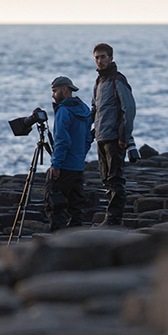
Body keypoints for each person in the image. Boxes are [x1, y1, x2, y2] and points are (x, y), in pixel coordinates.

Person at [91, 43, 136, 226]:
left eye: (103, 57)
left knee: (116, 179)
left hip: (115, 139)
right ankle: (110, 218)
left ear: (111, 58)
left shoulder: (118, 79)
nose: (100, 60)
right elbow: (95, 109)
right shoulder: (99, 82)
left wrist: (124, 137)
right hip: (101, 137)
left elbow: (129, 109)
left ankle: (114, 219)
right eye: (97, 57)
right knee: (106, 179)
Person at [43, 76, 93, 231]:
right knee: (76, 205)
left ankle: (57, 237)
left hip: (64, 165)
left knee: (54, 202)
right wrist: (80, 156)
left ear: (64, 89)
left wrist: (56, 165)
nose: (53, 95)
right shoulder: (84, 109)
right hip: (77, 165)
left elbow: (62, 140)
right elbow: (88, 138)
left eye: (54, 91)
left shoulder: (64, 111)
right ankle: (75, 237)